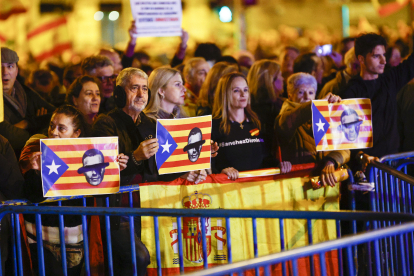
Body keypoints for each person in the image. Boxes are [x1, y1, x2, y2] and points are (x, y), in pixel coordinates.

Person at [20, 105, 128, 276]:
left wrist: (115, 171)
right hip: (40, 240)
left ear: (76, 133)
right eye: (51, 125)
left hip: (73, 241)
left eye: (61, 128)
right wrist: (35, 172)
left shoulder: (89, 155)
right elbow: (33, 196)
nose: (54, 132)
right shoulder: (37, 150)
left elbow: (104, 192)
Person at [342, 32, 414, 170]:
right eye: (376, 56)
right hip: (368, 167)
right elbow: (347, 137)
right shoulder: (352, 92)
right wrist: (362, 156)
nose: (383, 61)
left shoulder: (389, 80)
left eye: (384, 55)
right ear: (361, 59)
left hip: (393, 165)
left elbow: (411, 64)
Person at [211, 72, 291, 180]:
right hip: (228, 191)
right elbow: (209, 166)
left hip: (257, 189)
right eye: (236, 90)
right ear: (224, 94)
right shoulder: (214, 126)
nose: (243, 94)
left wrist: (279, 165)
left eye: (245, 90)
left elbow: (265, 158)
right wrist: (222, 172)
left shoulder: (258, 122)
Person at [275, 73, 350, 187]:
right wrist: (318, 105)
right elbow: (291, 120)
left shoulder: (323, 114)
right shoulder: (284, 117)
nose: (307, 97)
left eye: (311, 92)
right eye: (301, 92)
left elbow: (345, 147)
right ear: (290, 95)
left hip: (324, 184)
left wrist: (331, 161)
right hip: (297, 185)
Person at [1, 47, 55, 154]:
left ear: (17, 71)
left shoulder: (26, 92)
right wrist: (39, 133)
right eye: (0, 66)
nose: (5, 72)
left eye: (10, 66)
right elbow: (7, 137)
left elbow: (54, 115)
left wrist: (28, 123)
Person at [247, 59, 285, 150]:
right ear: (270, 80)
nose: (283, 78)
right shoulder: (275, 108)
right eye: (280, 75)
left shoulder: (247, 105)